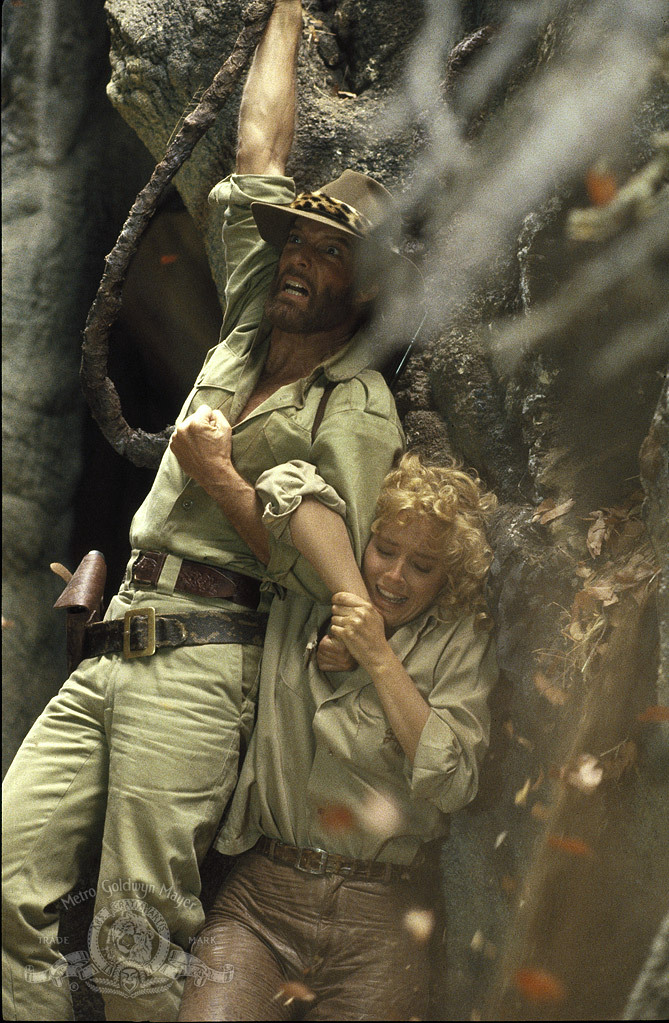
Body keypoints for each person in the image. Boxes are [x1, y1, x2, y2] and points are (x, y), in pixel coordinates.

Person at [1, 3, 419, 1020]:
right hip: (114, 641)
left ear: (361, 294)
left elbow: (325, 584)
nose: (300, 257)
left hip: (205, 659)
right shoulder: (244, 321)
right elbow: (258, 145)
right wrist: (281, 15)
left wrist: (227, 480)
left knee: (139, 927)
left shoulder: (354, 412)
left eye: (327, 254)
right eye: (300, 239)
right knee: (15, 876)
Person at [177, 452, 499, 1021]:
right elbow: (286, 484)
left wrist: (377, 656)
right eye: (385, 548)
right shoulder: (309, 590)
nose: (394, 576)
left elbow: (454, 782)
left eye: (423, 566)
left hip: (384, 913)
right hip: (261, 899)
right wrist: (349, 599)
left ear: (449, 576)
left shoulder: (462, 640)